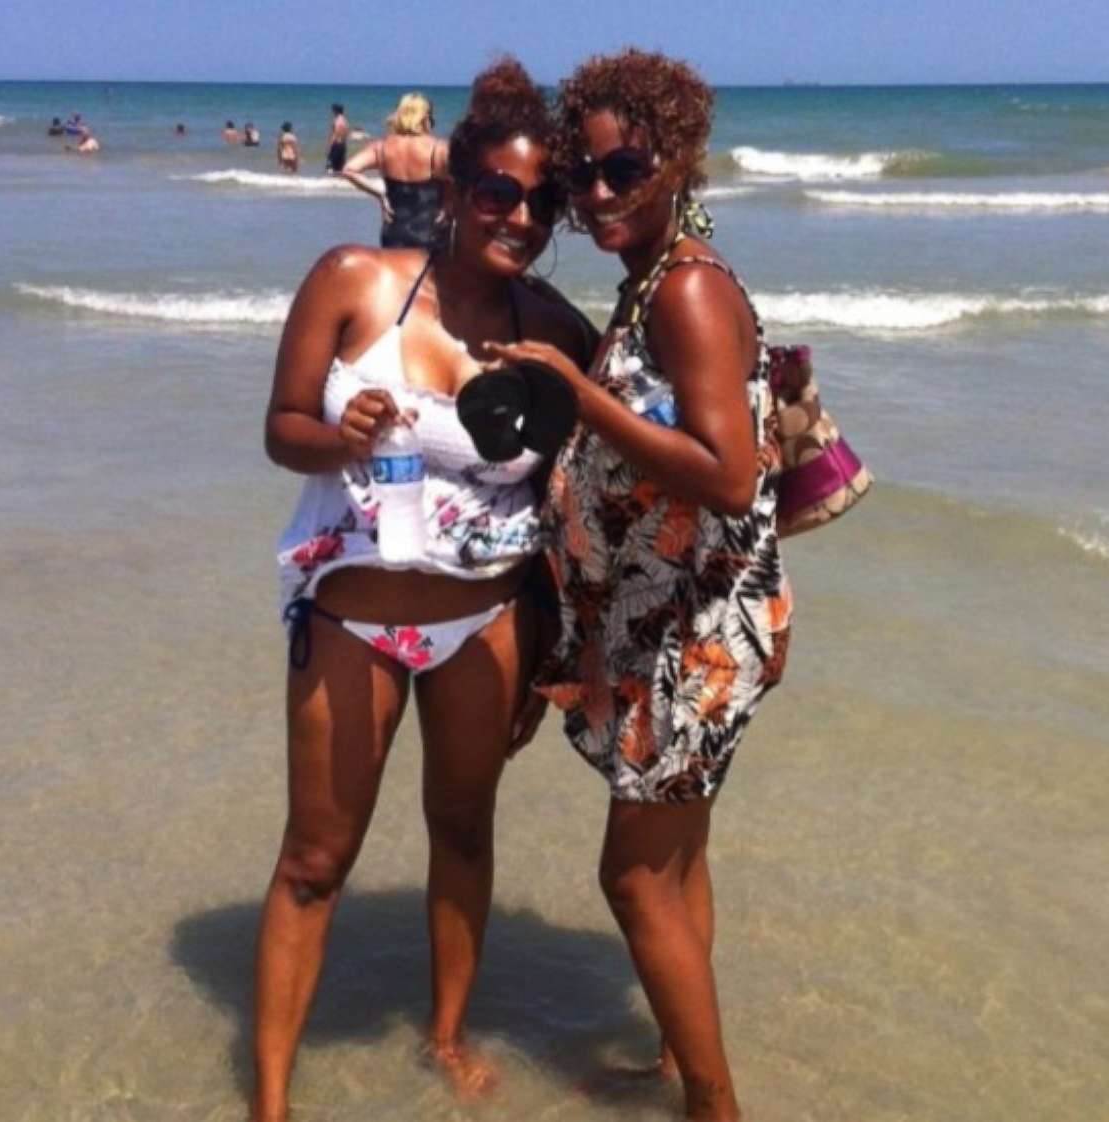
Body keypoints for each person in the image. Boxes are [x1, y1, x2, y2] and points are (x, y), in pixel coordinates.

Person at [252, 58, 594, 1122]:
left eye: (541, 201)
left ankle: (445, 1036)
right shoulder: (353, 278)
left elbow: (577, 488)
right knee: (315, 857)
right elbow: (281, 431)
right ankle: (269, 1098)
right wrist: (337, 430)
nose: (518, 216)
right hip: (354, 622)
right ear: (454, 190)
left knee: (465, 832)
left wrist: (562, 652)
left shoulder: (556, 331)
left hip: (486, 622)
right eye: (496, 192)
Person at [483, 49, 792, 1122]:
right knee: (678, 862)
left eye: (628, 171)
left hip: (697, 634)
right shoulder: (656, 281)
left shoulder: (690, 292)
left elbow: (727, 472)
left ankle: (715, 1106)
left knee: (633, 878)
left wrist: (580, 395)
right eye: (586, 176)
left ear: (681, 162)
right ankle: (679, 1058)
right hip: (674, 624)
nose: (600, 194)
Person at [341, 92, 448, 249]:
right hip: (430, 231)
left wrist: (380, 195)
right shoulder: (439, 148)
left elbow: (348, 170)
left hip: (393, 231)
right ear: (425, 117)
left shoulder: (381, 147)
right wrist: (448, 206)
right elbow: (464, 179)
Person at [325, 102, 349, 172]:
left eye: (333, 110)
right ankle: (339, 181)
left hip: (336, 144)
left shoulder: (337, 121)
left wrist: (329, 146)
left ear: (336, 111)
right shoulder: (345, 120)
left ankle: (332, 180)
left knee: (331, 166)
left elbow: (335, 134)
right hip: (343, 144)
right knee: (340, 166)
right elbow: (346, 133)